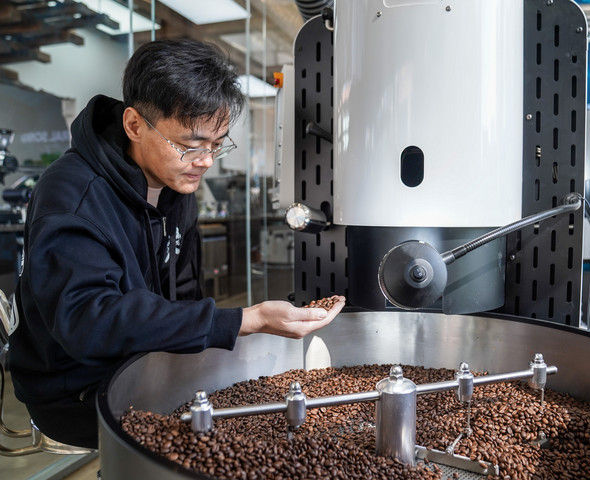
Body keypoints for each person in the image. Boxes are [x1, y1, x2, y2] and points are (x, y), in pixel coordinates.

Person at [7, 39, 344, 449]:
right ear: (135, 125)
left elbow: (184, 294)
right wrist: (245, 320)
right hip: (76, 390)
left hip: (151, 363)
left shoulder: (176, 189)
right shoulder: (73, 196)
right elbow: (89, 322)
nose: (205, 161)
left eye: (217, 144)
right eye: (189, 145)